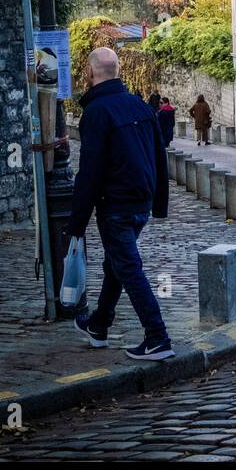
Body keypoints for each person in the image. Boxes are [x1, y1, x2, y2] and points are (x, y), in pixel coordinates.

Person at [70, 47, 174, 361]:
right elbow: (159, 157)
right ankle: (99, 325)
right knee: (116, 263)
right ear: (117, 71)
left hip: (115, 205)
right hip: (140, 202)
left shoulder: (97, 113)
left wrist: (76, 224)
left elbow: (90, 171)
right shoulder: (140, 106)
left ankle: (158, 337)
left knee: (129, 268)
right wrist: (159, 204)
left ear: (90, 73)